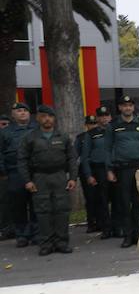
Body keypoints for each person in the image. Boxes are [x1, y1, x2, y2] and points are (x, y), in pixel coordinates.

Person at [17, 105, 77, 255]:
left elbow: (72, 158)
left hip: (59, 176)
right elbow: (22, 160)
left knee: (61, 211)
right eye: (43, 116)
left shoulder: (62, 136)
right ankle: (46, 244)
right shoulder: (30, 138)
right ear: (38, 118)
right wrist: (27, 181)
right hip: (39, 178)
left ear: (54, 119)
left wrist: (73, 178)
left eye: (49, 116)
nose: (47, 119)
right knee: (43, 212)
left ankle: (62, 243)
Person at [105, 95, 139, 248]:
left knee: (138, 203)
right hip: (122, 168)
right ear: (120, 108)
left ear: (133, 107)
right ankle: (127, 235)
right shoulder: (113, 125)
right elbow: (107, 148)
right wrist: (109, 169)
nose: (127, 108)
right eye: (124, 105)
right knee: (124, 203)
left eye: (130, 105)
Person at [0, 102, 37, 247]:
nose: (22, 113)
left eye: (25, 110)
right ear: (13, 114)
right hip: (14, 172)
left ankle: (36, 233)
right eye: (19, 111)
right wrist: (3, 171)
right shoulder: (5, 132)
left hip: (34, 172)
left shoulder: (37, 129)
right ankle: (22, 234)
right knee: (18, 205)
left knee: (36, 204)